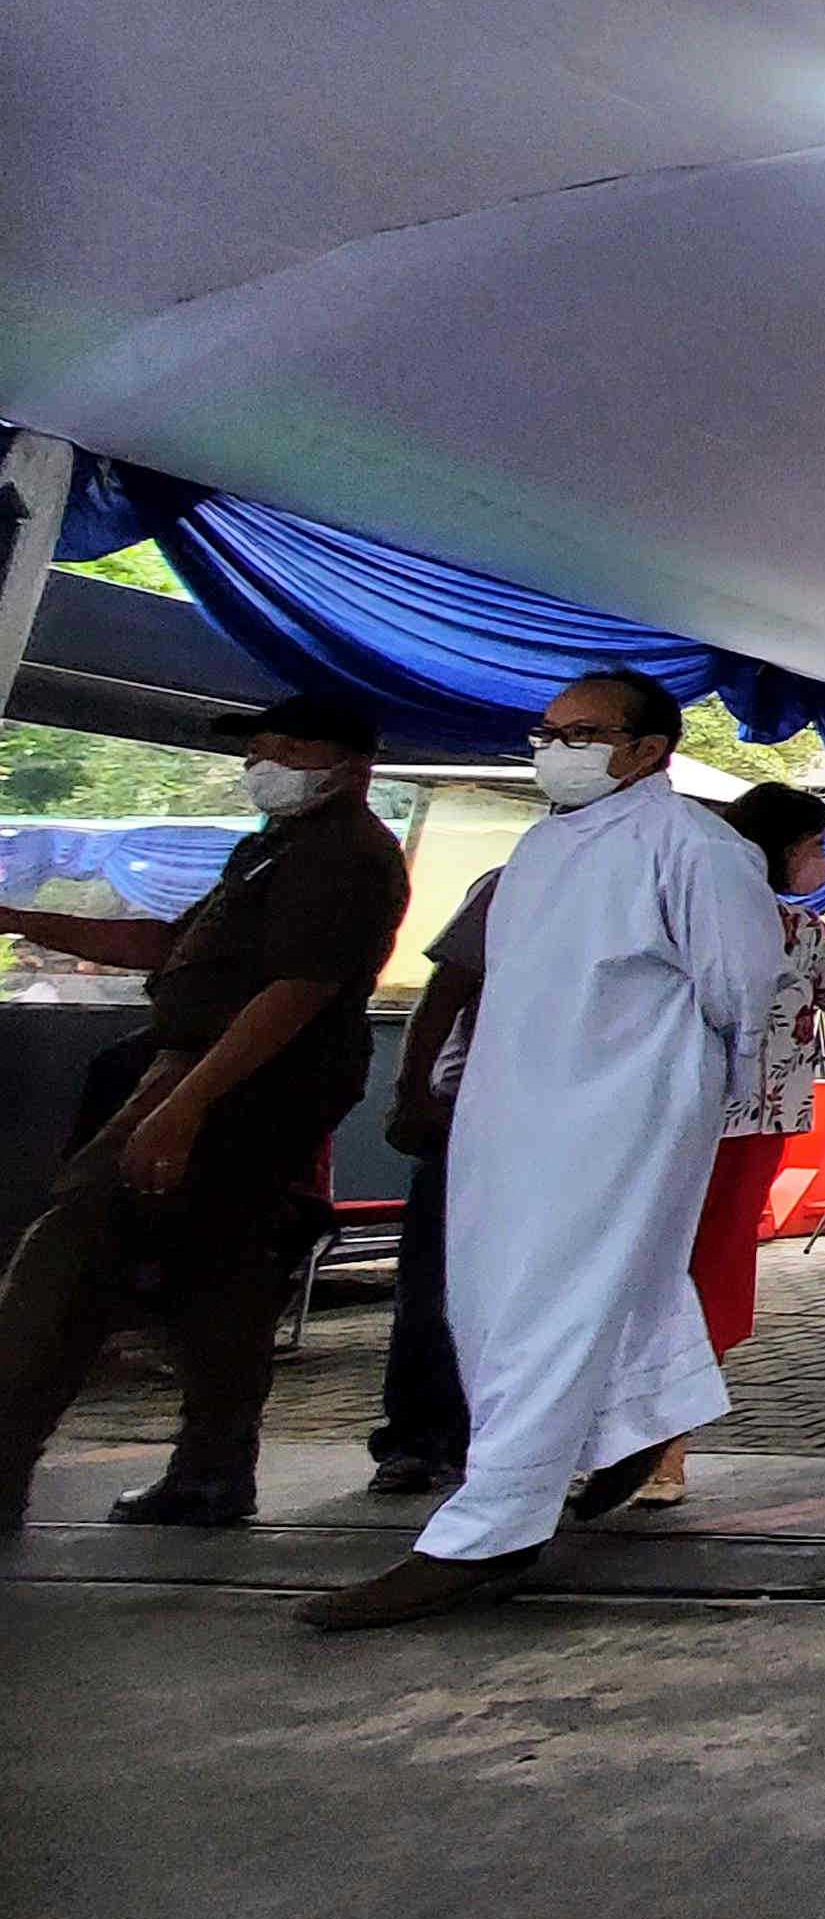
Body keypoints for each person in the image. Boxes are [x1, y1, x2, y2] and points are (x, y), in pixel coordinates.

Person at [303, 669, 783, 1631]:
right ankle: (640, 1419)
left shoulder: (694, 845)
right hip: (511, 1103)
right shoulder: (539, 847)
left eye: (583, 733)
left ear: (648, 751)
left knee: (546, 1303)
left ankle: (489, 1531)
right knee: (512, 1290)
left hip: (621, 1106)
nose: (556, 750)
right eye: (549, 733)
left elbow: (741, 986)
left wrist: (693, 1097)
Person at [0, 692, 408, 1531]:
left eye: (285, 751)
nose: (263, 767)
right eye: (256, 750)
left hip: (236, 1084)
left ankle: (9, 1462)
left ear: (351, 764)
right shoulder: (276, 848)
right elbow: (171, 947)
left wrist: (182, 1105)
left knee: (68, 1255)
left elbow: (298, 989)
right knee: (217, 1276)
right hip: (204, 1075)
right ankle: (212, 1471)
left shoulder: (342, 855)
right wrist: (19, 919)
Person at [617, 786, 825, 1508]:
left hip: (656, 1121)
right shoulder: (790, 930)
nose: (821, 862)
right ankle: (661, 1449)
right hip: (739, 1127)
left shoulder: (673, 913)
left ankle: (644, 1443)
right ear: (783, 850)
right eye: (816, 847)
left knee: (650, 1270)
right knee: (705, 1275)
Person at [366, 866, 498, 1495]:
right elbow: (445, 990)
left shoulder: (660, 881)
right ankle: (422, 1438)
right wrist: (412, 1092)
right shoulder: (510, 884)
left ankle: (501, 1439)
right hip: (473, 1115)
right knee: (436, 1285)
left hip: (570, 1123)